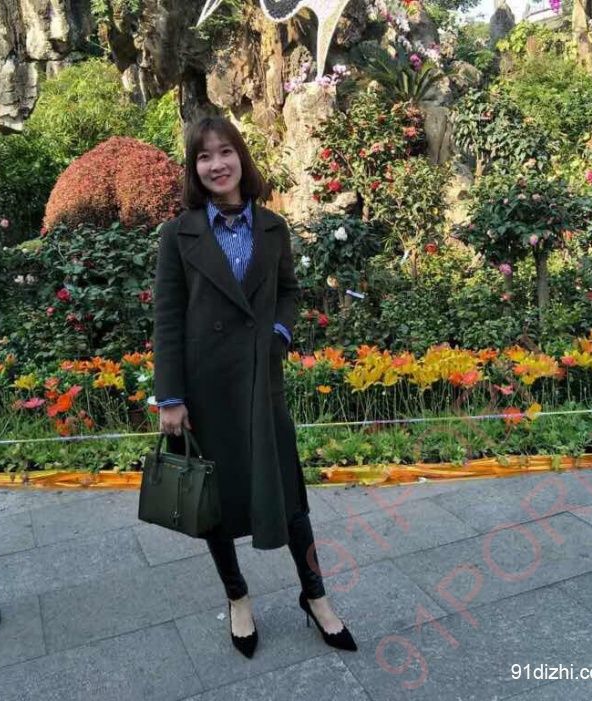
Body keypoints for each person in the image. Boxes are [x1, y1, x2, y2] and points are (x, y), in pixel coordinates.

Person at [152, 116, 357, 658]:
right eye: (204, 156)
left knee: (289, 496)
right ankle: (237, 597)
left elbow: (288, 291)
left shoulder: (272, 227)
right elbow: (167, 318)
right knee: (215, 502)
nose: (216, 164)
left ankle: (315, 595)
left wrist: (278, 335)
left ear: (241, 158)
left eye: (225, 152)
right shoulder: (179, 234)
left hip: (262, 383)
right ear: (194, 168)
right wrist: (170, 397)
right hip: (206, 389)